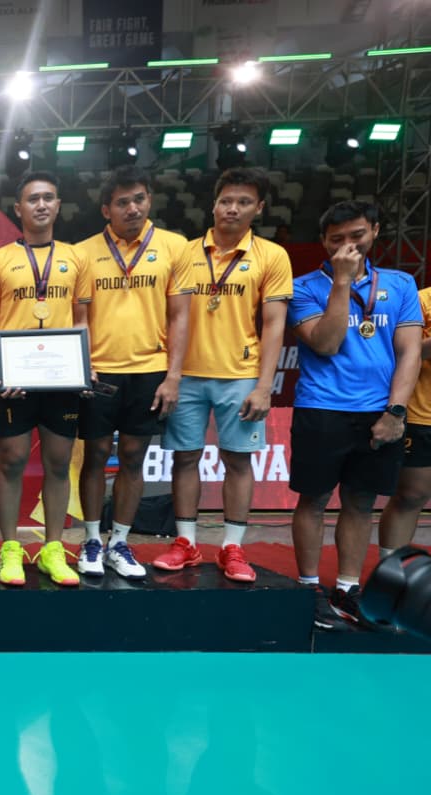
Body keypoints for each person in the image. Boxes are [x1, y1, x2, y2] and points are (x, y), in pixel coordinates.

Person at [154, 167, 293, 581]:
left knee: (238, 459)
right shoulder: (184, 253)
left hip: (241, 375)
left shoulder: (272, 256)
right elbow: (171, 315)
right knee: (184, 457)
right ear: (213, 204)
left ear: (259, 208)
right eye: (226, 201)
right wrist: (171, 374)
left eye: (244, 202)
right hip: (186, 374)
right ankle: (186, 543)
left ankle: (232, 547)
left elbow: (274, 324)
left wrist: (265, 386)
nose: (233, 208)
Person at [288, 201, 421, 627]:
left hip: (378, 412)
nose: (347, 245)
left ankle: (347, 588)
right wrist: (342, 282)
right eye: (336, 239)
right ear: (323, 241)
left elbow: (409, 352)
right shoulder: (304, 287)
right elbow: (326, 343)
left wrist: (396, 411)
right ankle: (309, 588)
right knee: (314, 500)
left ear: (375, 231)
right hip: (321, 407)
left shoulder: (400, 284)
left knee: (361, 502)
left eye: (357, 235)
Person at [75, 168, 191, 578]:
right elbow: (79, 317)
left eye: (139, 199)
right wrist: (83, 364)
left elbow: (180, 316)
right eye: (122, 202)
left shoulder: (175, 247)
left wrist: (173, 376)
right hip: (98, 372)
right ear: (106, 209)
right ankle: (92, 539)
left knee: (132, 457)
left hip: (150, 370)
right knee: (94, 455)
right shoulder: (83, 252)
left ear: (149, 200)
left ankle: (119, 543)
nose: (132, 208)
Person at [0, 171, 87, 588]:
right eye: (33, 198)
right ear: (18, 208)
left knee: (58, 462)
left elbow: (81, 319)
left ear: (58, 205)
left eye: (48, 197)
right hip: (14, 379)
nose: (41, 204)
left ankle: (53, 548)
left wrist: (83, 364)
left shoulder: (76, 258)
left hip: (62, 379)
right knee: (11, 460)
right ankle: (10, 547)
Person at [379, 284, 431, 564]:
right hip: (423, 414)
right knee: (411, 495)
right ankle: (391, 571)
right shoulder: (422, 301)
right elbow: (403, 352)